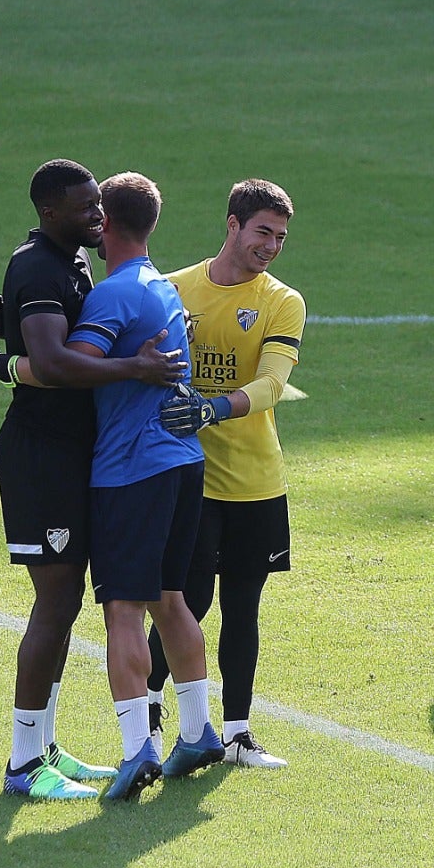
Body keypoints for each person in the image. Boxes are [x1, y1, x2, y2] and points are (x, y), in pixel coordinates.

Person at [0, 159, 185, 801]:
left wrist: (3, 347)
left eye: (100, 204)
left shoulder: (68, 261)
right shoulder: (38, 264)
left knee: (67, 605)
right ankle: (22, 762)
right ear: (48, 210)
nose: (98, 215)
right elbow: (53, 362)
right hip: (43, 458)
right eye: (84, 206)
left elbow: (41, 342)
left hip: (74, 455)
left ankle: (43, 748)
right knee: (57, 603)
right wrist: (136, 369)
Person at [62, 172, 223, 802]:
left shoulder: (113, 297)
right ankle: (198, 731)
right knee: (170, 596)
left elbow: (68, 368)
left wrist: (16, 357)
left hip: (133, 468)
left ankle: (137, 752)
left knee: (123, 608)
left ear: (104, 223)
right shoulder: (160, 286)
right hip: (184, 461)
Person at [143, 179, 306, 769]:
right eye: (263, 231)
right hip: (187, 477)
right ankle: (153, 728)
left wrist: (213, 407)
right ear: (232, 225)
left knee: (244, 606)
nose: (271, 246)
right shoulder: (173, 289)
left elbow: (271, 384)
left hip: (257, 481)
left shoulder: (283, 301)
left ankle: (237, 734)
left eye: (280, 237)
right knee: (182, 601)